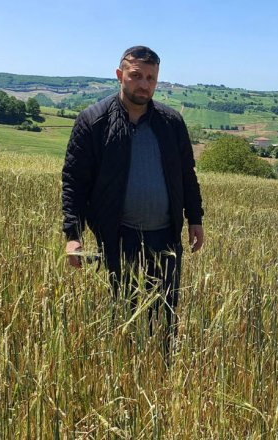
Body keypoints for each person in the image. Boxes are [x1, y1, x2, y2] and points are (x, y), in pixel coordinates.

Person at [61, 46, 204, 343]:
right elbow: (75, 180)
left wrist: (195, 217)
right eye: (136, 75)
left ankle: (161, 373)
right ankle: (123, 372)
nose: (144, 84)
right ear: (119, 75)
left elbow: (186, 174)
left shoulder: (171, 123)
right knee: (122, 315)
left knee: (164, 315)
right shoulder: (93, 122)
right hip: (118, 237)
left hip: (165, 236)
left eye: (151, 78)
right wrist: (73, 234)